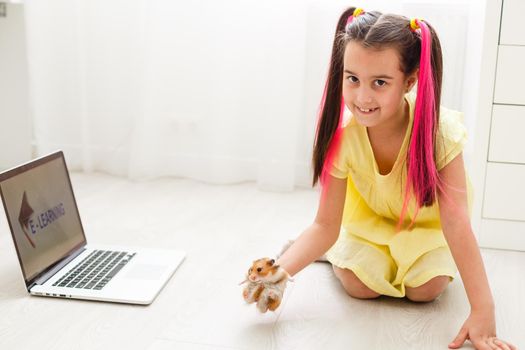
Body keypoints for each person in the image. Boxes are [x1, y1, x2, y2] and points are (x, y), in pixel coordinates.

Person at [257, 7, 516, 350]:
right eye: (353, 79)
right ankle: (332, 253)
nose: (362, 97)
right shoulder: (345, 139)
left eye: (379, 83)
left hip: (426, 232)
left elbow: (456, 222)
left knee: (426, 290)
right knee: (360, 287)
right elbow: (324, 224)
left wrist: (484, 309)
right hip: (372, 227)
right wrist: (279, 274)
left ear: (409, 81)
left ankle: (354, 255)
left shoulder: (440, 133)